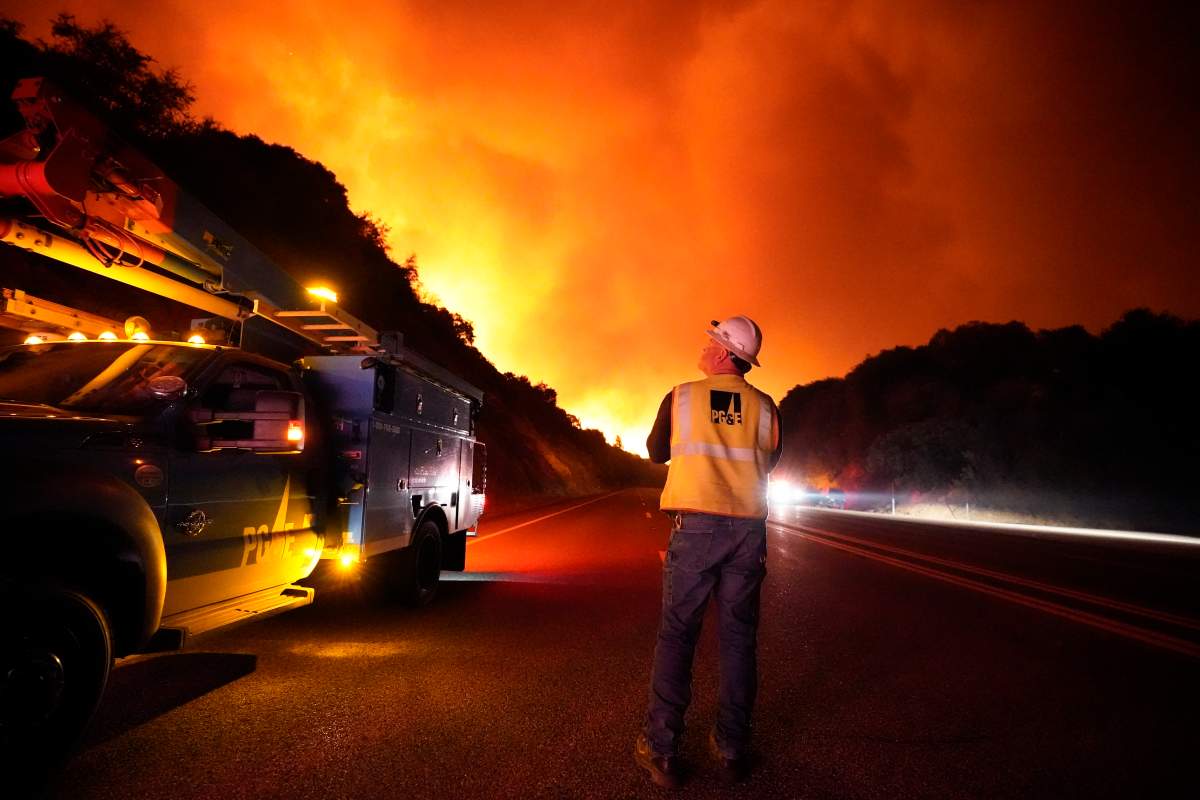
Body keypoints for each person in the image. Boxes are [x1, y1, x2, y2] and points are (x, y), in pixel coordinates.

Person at [635, 315, 783, 787]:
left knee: (679, 635)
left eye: (709, 343)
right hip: (747, 533)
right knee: (739, 639)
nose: (703, 348)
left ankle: (662, 751)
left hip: (696, 530)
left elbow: (657, 451)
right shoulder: (765, 407)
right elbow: (771, 459)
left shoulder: (680, 397)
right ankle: (734, 746)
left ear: (723, 353)